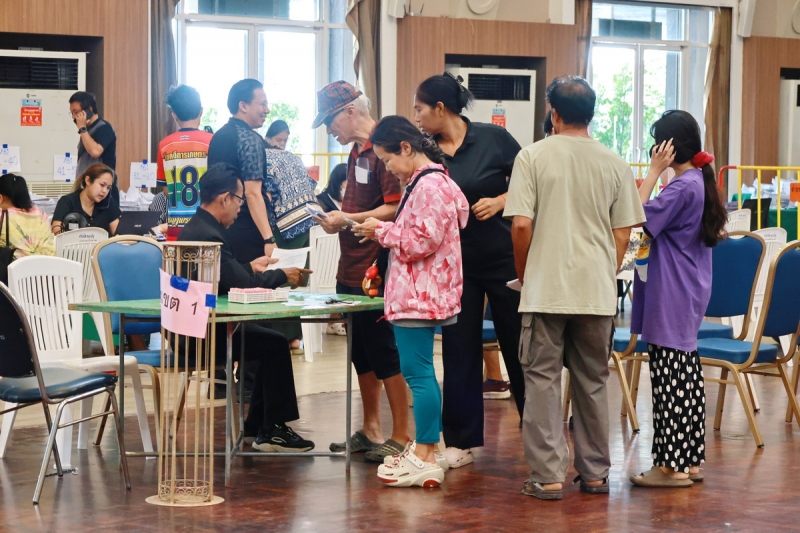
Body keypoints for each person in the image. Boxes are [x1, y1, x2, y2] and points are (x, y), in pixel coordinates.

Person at [506, 76, 645, 500]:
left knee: (542, 383)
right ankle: (597, 475)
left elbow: (521, 225)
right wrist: (605, 271)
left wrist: (526, 273)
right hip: (596, 293)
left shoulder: (532, 156)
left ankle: (548, 476)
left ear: (554, 114)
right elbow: (627, 234)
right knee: (593, 383)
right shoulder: (615, 162)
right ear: (592, 114)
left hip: (545, 291)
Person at [412, 72, 525, 468]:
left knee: (519, 346)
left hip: (504, 260)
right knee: (459, 351)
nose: (417, 116)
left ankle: (537, 431)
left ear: (441, 108)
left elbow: (532, 183)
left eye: (420, 109)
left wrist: (501, 200)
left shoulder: (494, 138)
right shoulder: (427, 151)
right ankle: (461, 442)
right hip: (455, 268)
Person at [353, 115, 469, 487]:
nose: (388, 168)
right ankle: (427, 449)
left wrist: (380, 230)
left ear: (406, 148)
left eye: (388, 160)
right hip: (425, 292)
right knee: (421, 374)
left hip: (420, 295)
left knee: (418, 375)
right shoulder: (432, 181)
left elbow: (422, 240)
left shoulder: (429, 185)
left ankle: (426, 453)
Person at [178, 162, 315, 452]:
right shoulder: (209, 235)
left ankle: (259, 424)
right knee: (274, 345)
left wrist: (249, 266)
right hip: (201, 336)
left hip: (195, 326)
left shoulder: (200, 227)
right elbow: (242, 285)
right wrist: (282, 275)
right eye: (240, 200)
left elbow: (225, 278)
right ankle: (272, 428)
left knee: (271, 343)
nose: (240, 208)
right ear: (225, 198)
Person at [312, 81, 410, 462]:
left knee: (385, 352)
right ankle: (371, 429)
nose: (329, 129)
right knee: (361, 354)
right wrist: (339, 219)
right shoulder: (356, 152)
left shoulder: (384, 147)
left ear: (350, 111)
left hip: (376, 267)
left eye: (330, 120)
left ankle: (401, 435)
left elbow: (395, 207)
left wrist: (347, 218)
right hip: (351, 265)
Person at [628, 110, 726, 488]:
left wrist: (653, 172)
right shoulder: (697, 181)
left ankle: (671, 467)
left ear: (668, 148)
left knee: (669, 381)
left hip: (671, 292)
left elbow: (635, 215)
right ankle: (688, 460)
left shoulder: (682, 187)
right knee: (685, 377)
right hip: (686, 290)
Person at [208, 79, 277, 262]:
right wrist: (269, 239)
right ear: (243, 106)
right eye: (262, 104)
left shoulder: (218, 136)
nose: (267, 110)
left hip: (220, 229)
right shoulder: (250, 139)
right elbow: (252, 193)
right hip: (247, 229)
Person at [156, 84, 214, 240]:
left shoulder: (164, 145)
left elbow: (167, 191)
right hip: (206, 227)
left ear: (174, 115)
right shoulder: (212, 141)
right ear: (201, 111)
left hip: (176, 230)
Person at [52, 163, 121, 236]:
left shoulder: (109, 203)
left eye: (108, 188)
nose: (104, 191)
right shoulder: (67, 202)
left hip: (103, 244)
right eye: (102, 185)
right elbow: (57, 232)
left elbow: (120, 234)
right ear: (88, 180)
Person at [0, 173, 55, 258]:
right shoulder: (40, 214)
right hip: (46, 264)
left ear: (0, 198)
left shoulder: (2, 216)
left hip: (13, 266)